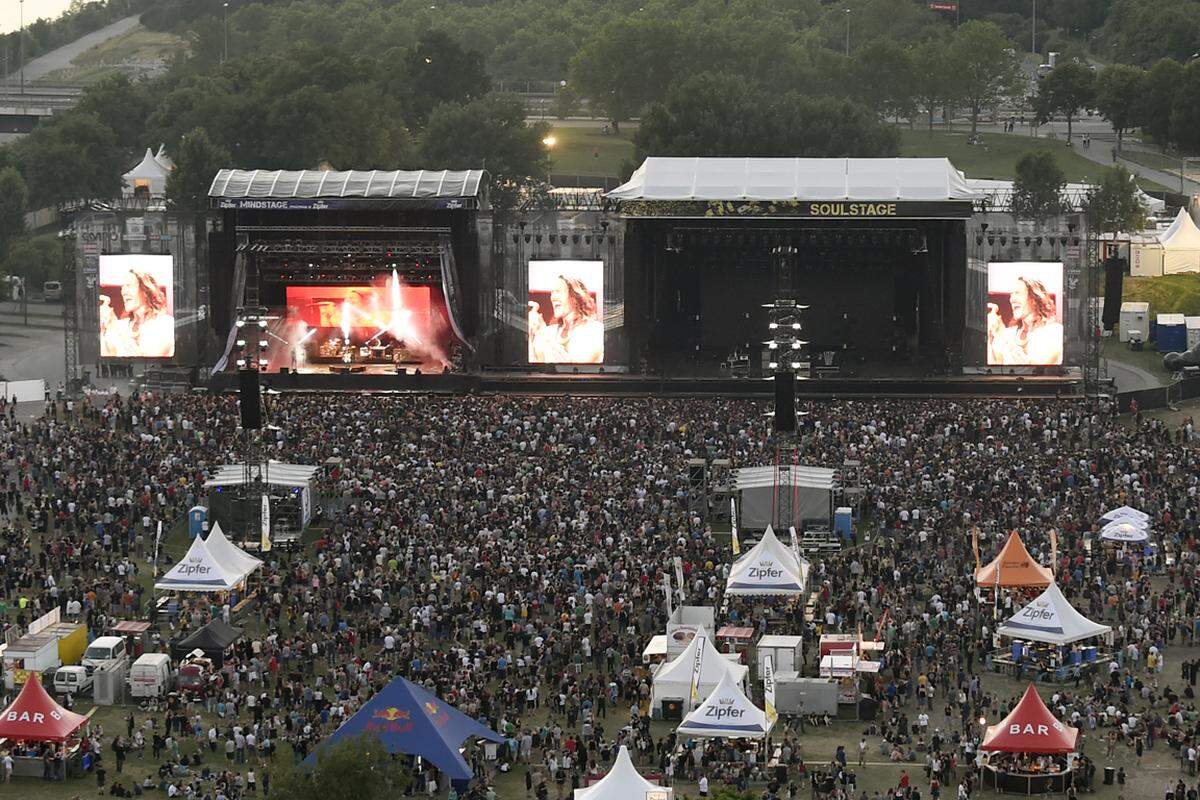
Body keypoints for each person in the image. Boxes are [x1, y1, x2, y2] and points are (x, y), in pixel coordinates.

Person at [986, 276, 1063, 365]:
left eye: (1017, 293)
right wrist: (990, 336)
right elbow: (994, 368)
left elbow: (1036, 371)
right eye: (1011, 294)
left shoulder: (1054, 332)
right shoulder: (1009, 334)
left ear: (1034, 299)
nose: (1012, 299)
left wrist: (1002, 335)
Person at [99, 268, 174, 358]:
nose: (123, 292)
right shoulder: (121, 326)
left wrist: (113, 328)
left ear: (145, 290)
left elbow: (148, 363)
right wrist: (102, 328)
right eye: (122, 287)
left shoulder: (166, 324)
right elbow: (107, 357)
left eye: (129, 285)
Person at [528, 275, 603, 363]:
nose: (553, 297)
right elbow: (536, 365)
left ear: (575, 297)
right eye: (552, 292)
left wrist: (541, 333)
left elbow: (576, 367)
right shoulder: (549, 332)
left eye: (558, 291)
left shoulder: (595, 331)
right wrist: (532, 333)